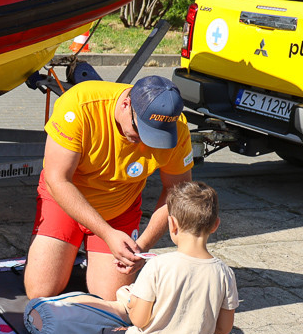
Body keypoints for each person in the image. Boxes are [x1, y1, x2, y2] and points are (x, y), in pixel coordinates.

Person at [24, 75, 193, 313]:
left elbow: (177, 193)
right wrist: (106, 233)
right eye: (139, 129)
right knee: (40, 292)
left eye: (155, 134)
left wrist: (140, 247)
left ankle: (79, 253)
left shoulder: (177, 128)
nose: (144, 140)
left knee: (113, 299)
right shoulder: (80, 104)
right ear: (126, 104)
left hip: (118, 209)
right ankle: (70, 247)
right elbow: (57, 179)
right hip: (65, 202)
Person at [95, 181, 239, 334]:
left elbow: (139, 320)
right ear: (215, 225)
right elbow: (224, 328)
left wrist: (129, 300)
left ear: (171, 224)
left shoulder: (158, 265)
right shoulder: (224, 273)